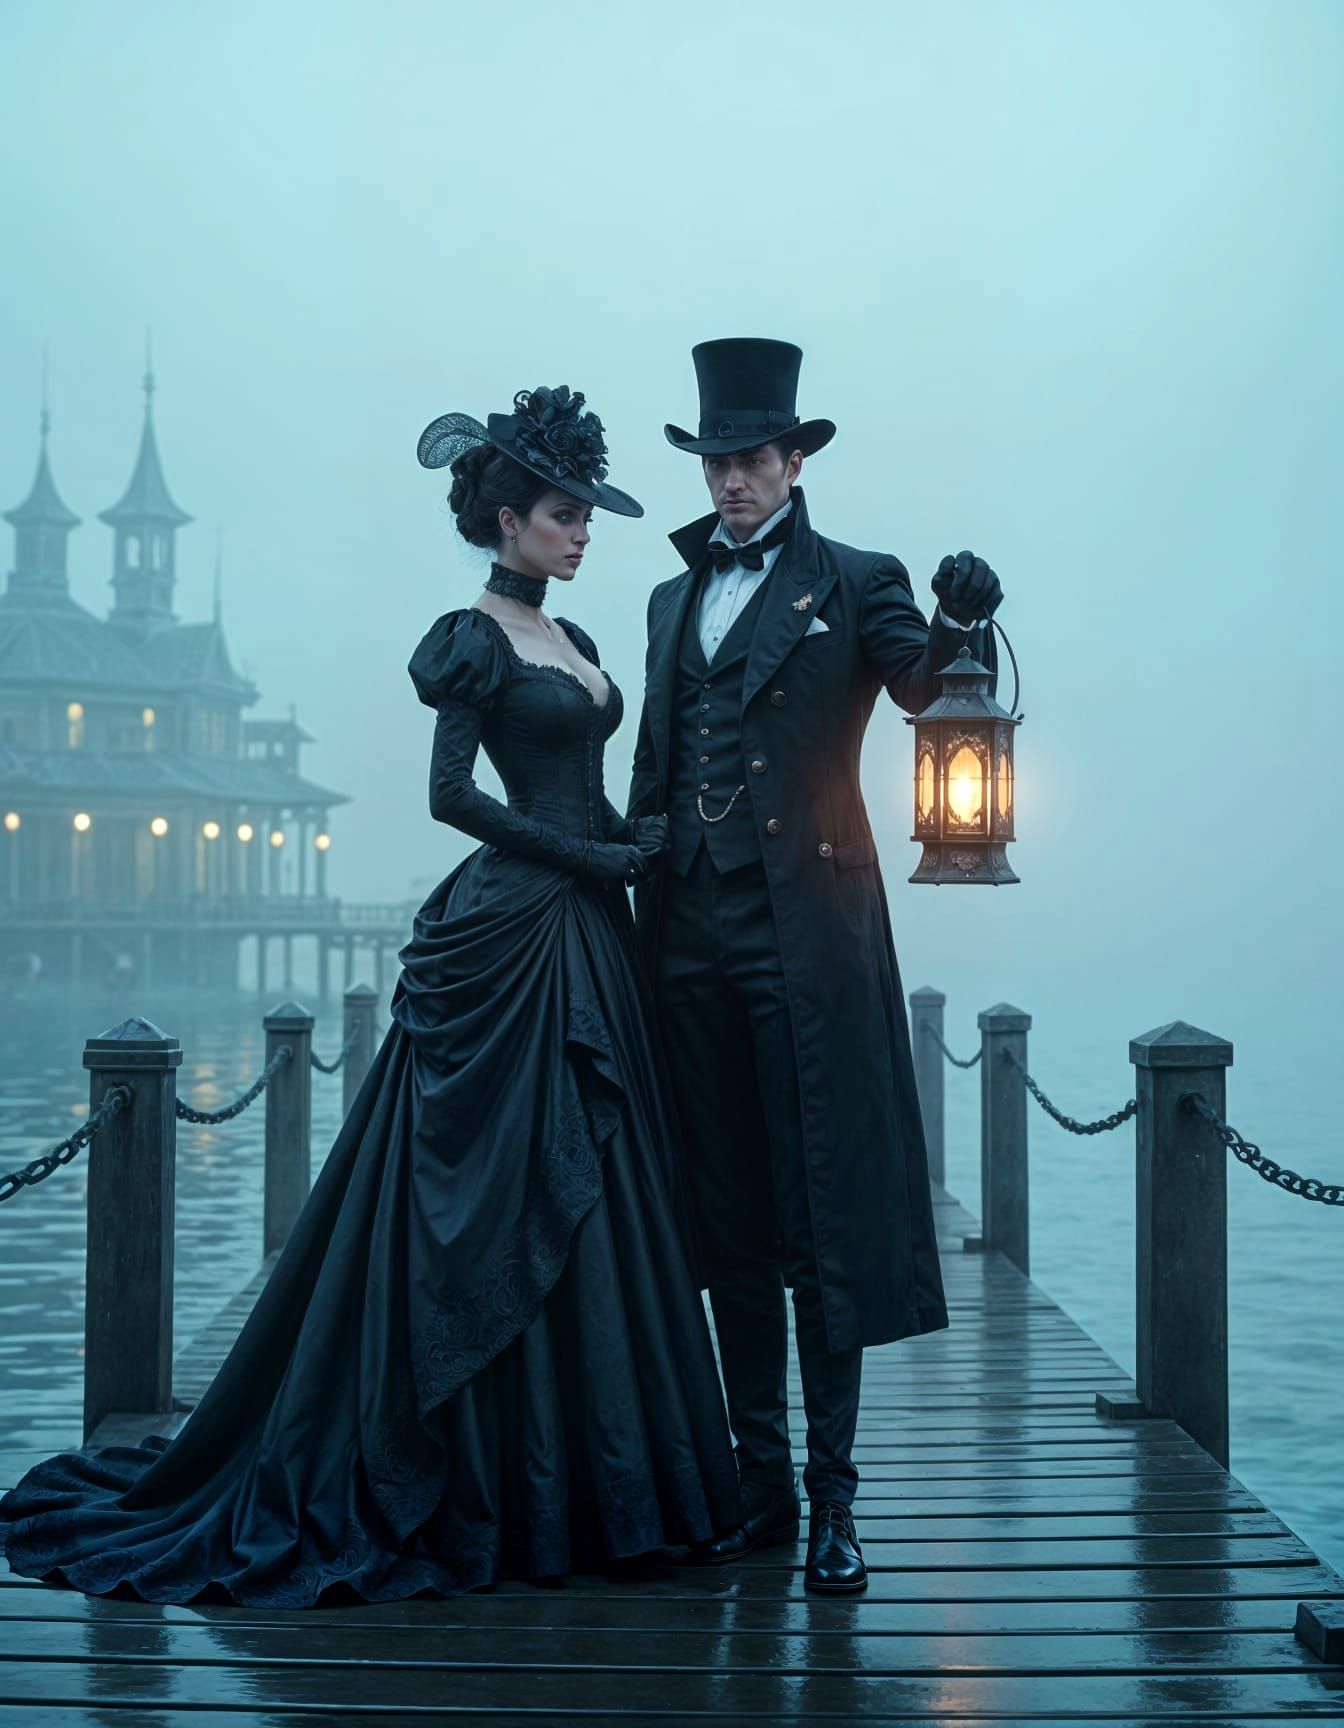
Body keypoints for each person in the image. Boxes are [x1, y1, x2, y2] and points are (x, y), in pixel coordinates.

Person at [0, 384, 741, 1604]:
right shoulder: (473, 636)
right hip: (514, 933)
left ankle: (608, 1484)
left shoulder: (585, 646)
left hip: (587, 931)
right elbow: (454, 796)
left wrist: (644, 843)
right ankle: (488, 1480)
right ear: (507, 521)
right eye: (564, 514)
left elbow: (592, 796)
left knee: (596, 1178)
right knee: (494, 1188)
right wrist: (595, 857)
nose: (582, 532)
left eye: (585, 516)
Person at [628, 338, 1005, 1594]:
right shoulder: (669, 601)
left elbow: (928, 690)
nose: (732, 481)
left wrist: (964, 618)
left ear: (794, 462)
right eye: (718, 461)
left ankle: (837, 1501)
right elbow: (654, 781)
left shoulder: (858, 580)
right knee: (727, 1220)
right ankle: (758, 1487)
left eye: (752, 460)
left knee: (819, 1221)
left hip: (813, 941)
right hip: (688, 938)